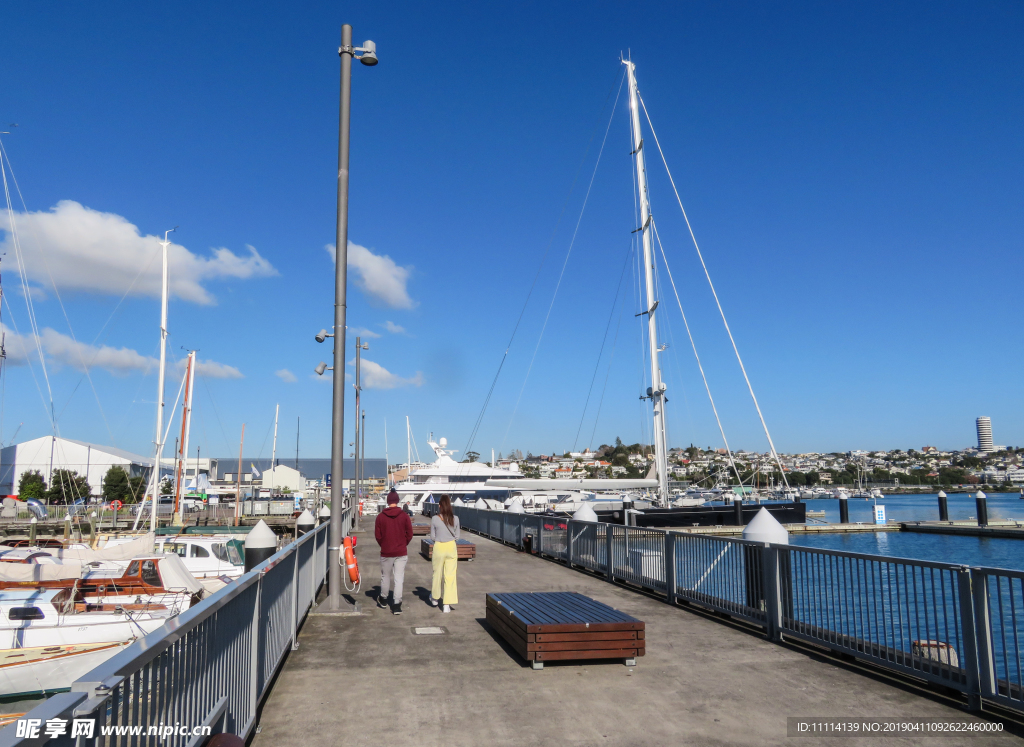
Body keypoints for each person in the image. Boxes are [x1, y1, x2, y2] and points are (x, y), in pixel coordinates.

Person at [374, 488, 413, 614]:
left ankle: (384, 599)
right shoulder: (404, 516)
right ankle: (396, 604)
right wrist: (404, 543)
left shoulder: (380, 517)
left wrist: (384, 544)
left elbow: (378, 535)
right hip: (401, 551)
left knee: (385, 576)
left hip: (386, 551)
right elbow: (410, 533)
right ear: (397, 501)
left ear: (387, 501)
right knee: (399, 578)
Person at [429, 495, 460, 612]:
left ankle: (435, 598)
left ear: (440, 505)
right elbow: (457, 536)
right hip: (451, 547)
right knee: (450, 576)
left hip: (439, 547)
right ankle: (446, 604)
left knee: (437, 574)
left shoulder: (435, 519)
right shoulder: (455, 518)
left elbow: (432, 536)